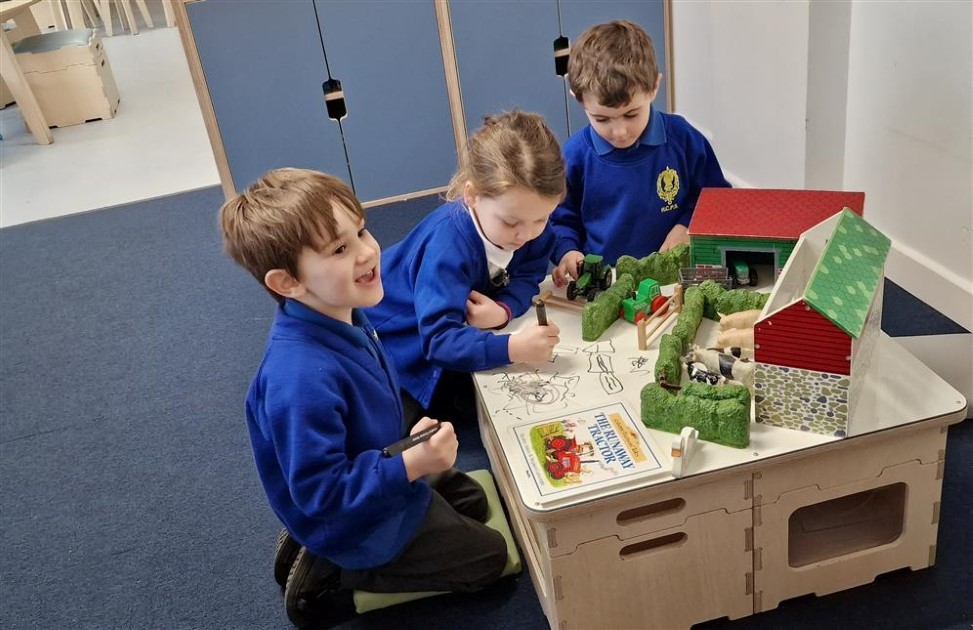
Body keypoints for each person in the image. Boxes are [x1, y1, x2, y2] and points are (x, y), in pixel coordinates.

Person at [219, 168, 508, 628]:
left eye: (360, 231)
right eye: (339, 249)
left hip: (375, 461)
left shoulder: (340, 311)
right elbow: (324, 491)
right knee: (490, 560)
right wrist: (411, 464)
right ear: (288, 282)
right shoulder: (300, 379)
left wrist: (410, 448)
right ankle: (331, 572)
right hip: (349, 516)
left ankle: (312, 538)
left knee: (474, 502)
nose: (368, 251)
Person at [366, 110, 564, 427]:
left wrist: (503, 310)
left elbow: (529, 274)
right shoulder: (446, 249)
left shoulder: (526, 217)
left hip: (456, 317)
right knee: (407, 434)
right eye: (511, 222)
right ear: (471, 196)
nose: (526, 235)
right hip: (400, 338)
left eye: (540, 219)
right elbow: (438, 340)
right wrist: (512, 347)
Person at [551, 20, 731, 286]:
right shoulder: (575, 155)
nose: (620, 131)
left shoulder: (682, 138)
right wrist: (567, 251)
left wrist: (686, 226)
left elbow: (716, 198)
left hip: (673, 279)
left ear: (654, 87)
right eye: (602, 119)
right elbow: (559, 220)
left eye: (631, 114)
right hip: (608, 282)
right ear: (578, 98)